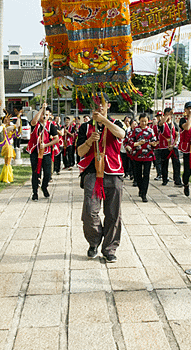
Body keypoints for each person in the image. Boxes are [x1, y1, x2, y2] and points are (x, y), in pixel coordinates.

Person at [76, 94, 125, 262]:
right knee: (90, 212)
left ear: (108, 106)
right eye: (96, 105)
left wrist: (104, 121)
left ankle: (110, 248)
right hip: (92, 173)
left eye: (102, 104)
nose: (99, 108)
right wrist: (90, 141)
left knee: (113, 213)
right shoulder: (85, 127)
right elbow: (80, 152)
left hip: (113, 172)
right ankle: (94, 241)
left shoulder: (115, 123)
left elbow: (121, 134)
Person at [27, 105, 59, 201]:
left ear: (49, 116)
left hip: (46, 152)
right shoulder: (35, 124)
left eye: (46, 115)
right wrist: (41, 109)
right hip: (35, 151)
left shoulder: (50, 126)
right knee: (35, 173)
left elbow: (56, 138)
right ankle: (35, 192)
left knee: (48, 173)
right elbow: (33, 121)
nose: (44, 116)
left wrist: (46, 145)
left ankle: (44, 187)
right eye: (43, 114)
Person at [128, 113, 158, 202]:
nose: (143, 123)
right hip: (137, 155)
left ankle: (144, 193)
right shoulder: (135, 131)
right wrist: (137, 144)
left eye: (145, 121)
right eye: (142, 121)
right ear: (139, 121)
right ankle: (140, 189)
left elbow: (154, 141)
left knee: (146, 174)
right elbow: (131, 141)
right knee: (137, 174)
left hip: (148, 155)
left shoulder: (150, 130)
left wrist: (153, 144)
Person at [157, 107, 182, 187]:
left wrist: (174, 144)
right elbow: (161, 123)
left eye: (170, 114)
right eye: (168, 114)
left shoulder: (174, 124)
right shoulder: (162, 124)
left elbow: (177, 135)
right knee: (164, 164)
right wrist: (166, 115)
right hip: (165, 147)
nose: (169, 116)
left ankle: (177, 180)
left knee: (176, 163)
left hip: (173, 146)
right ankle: (165, 179)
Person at [0, 110, 22, 183]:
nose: (9, 121)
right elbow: (17, 125)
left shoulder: (7, 127)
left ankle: (5, 176)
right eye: (7, 120)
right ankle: (6, 177)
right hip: (8, 145)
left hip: (9, 145)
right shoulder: (7, 128)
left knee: (7, 162)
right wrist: (18, 116)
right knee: (7, 162)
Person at [153, 111, 163, 181]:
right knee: (157, 161)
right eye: (158, 116)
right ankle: (159, 174)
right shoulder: (154, 126)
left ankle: (164, 174)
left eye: (161, 116)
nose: (159, 117)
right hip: (156, 146)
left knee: (163, 161)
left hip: (163, 145)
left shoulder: (165, 125)